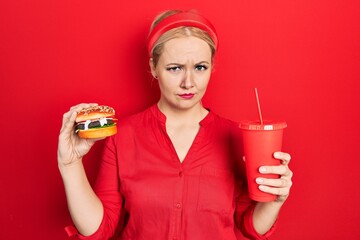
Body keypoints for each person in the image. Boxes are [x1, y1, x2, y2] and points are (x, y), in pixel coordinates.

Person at [58, 10, 293, 240]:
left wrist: (276, 200)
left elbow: (251, 227)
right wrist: (70, 165)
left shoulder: (236, 136)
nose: (188, 82)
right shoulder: (123, 136)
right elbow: (99, 229)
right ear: (153, 67)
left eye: (200, 67)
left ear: (212, 66)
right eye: (175, 68)